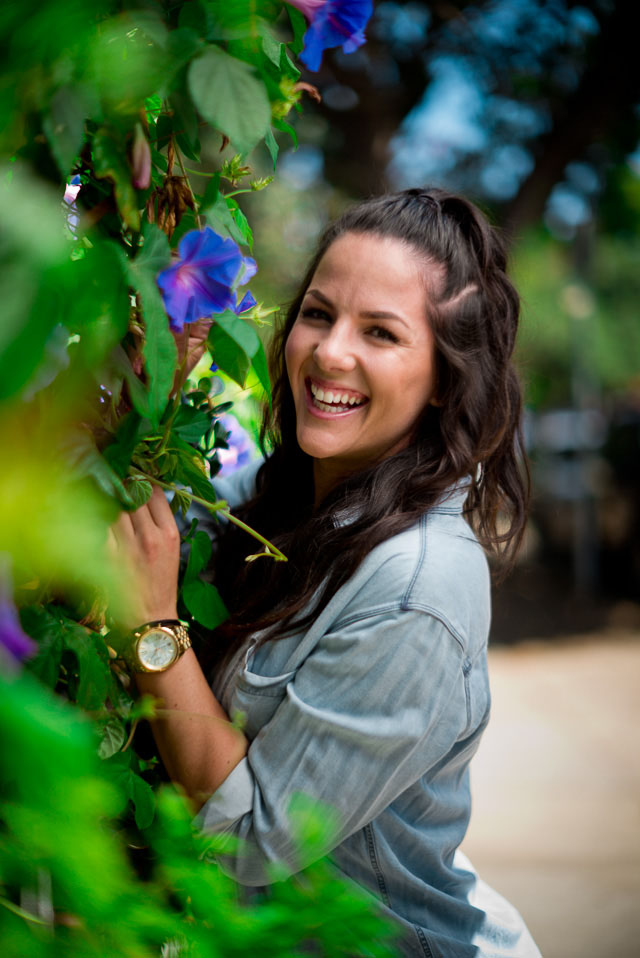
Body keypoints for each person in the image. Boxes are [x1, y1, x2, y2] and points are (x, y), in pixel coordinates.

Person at [111, 188, 542, 957]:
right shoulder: (293, 494)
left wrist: (154, 630)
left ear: (444, 376)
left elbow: (251, 841)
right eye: (318, 313)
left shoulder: (420, 587)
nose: (330, 352)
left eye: (380, 332)